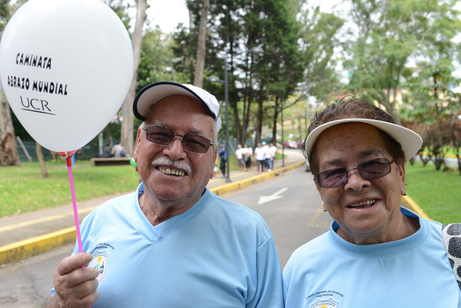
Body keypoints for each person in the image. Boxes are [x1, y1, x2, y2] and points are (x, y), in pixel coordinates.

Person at [47, 81, 284, 308]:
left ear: (213, 160)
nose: (174, 151)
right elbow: (60, 301)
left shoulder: (250, 235)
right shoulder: (100, 219)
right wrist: (60, 303)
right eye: (160, 134)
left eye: (195, 142)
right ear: (138, 144)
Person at [283, 97, 460, 307]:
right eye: (334, 173)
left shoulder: (454, 252)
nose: (355, 183)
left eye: (373, 164)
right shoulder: (300, 269)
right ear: (320, 190)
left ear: (401, 173)